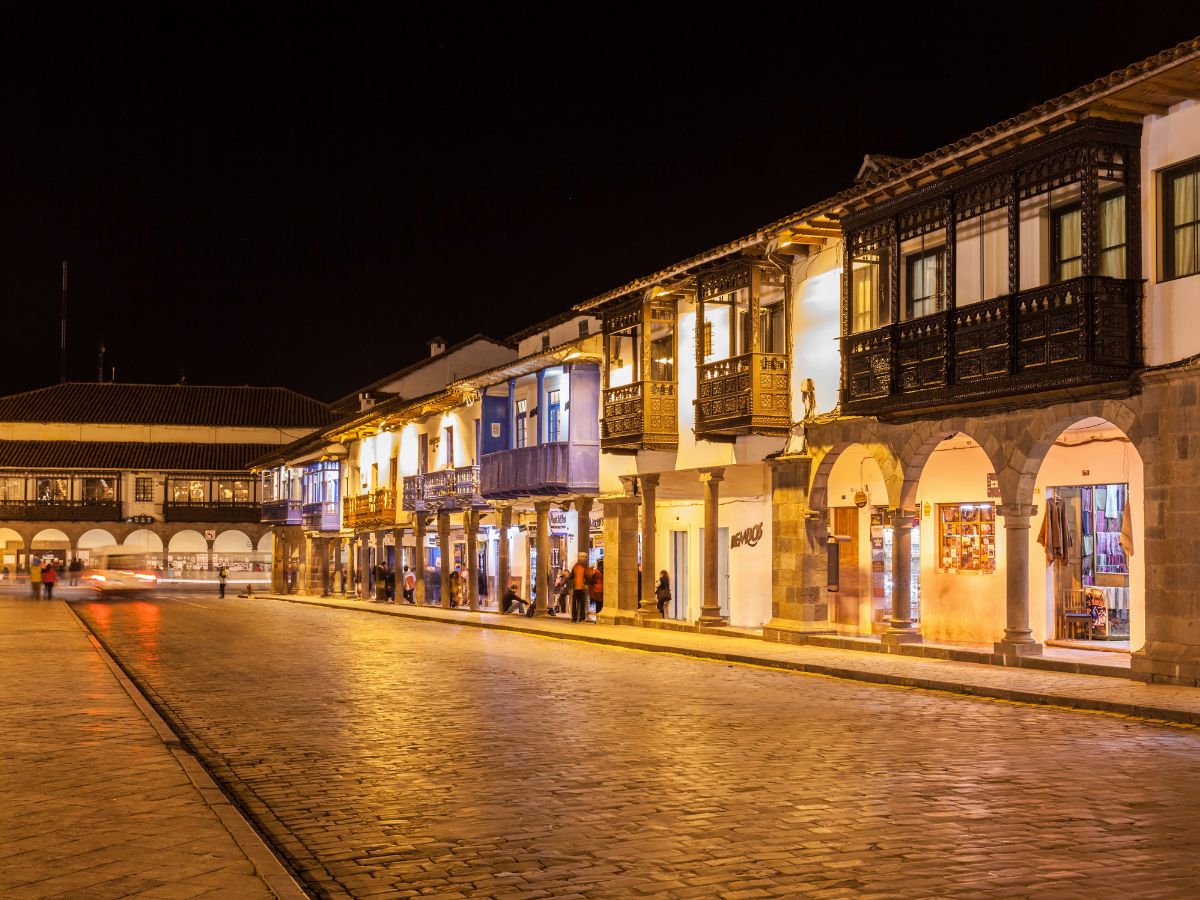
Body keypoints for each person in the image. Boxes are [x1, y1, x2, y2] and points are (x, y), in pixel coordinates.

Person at [569, 553, 591, 623]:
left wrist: (587, 584)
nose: (584, 558)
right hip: (575, 588)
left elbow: (589, 577)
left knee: (583, 604)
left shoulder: (586, 567)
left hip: (583, 588)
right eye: (582, 556)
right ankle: (574, 618)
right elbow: (571, 576)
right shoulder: (575, 566)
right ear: (579, 557)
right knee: (574, 605)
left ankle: (582, 618)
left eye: (585, 557)